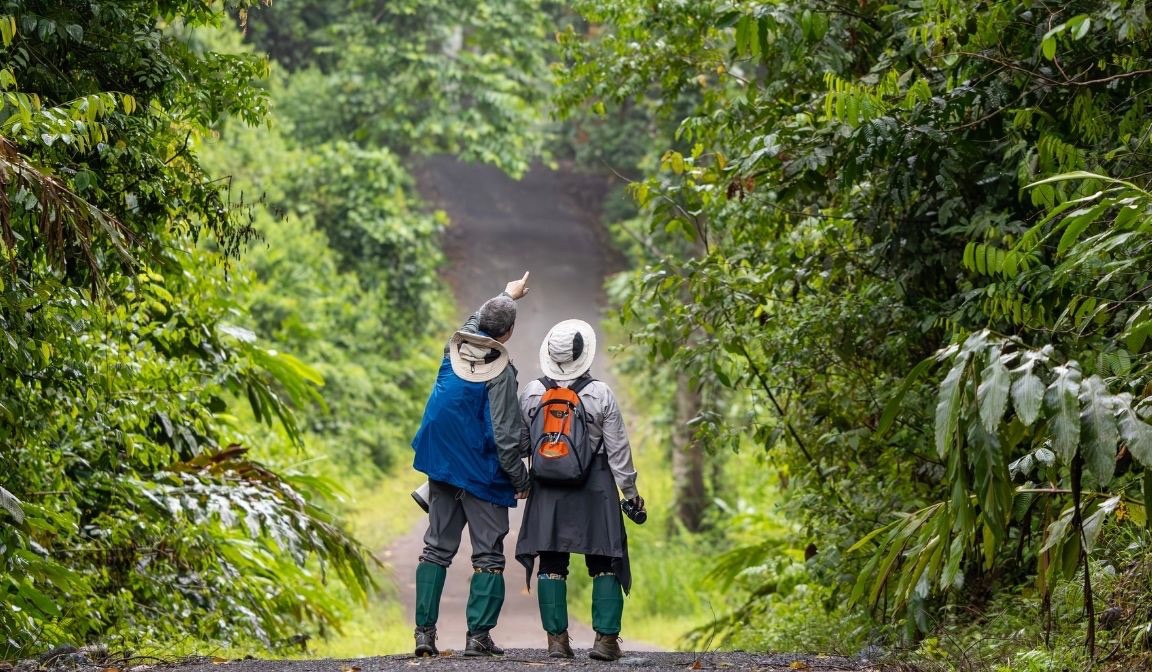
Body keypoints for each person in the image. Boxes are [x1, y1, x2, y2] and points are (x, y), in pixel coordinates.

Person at [410, 273, 533, 658]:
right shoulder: (502, 374)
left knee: (435, 550)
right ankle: (478, 637)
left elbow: (474, 321)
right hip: (483, 474)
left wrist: (505, 294)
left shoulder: (454, 348)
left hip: (443, 467)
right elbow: (507, 439)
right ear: (509, 333)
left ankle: (424, 636)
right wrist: (522, 480)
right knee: (488, 556)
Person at [515, 319, 645, 661]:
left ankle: (557, 642)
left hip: (548, 486)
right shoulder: (600, 394)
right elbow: (618, 452)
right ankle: (605, 641)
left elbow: (522, 445)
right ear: (583, 356)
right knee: (604, 560)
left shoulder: (531, 393)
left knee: (551, 562)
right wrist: (631, 495)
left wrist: (523, 479)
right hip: (596, 484)